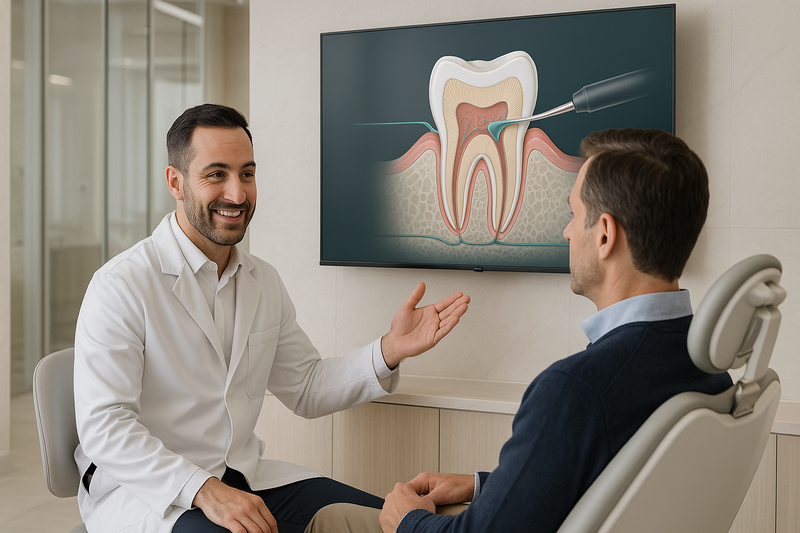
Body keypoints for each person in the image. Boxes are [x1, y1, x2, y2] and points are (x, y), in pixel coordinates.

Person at [304, 128, 734, 533]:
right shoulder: (707, 368)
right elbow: (610, 486)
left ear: (604, 236)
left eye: (573, 214)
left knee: (333, 518)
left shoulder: (577, 390)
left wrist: (408, 521)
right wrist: (480, 485)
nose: (567, 231)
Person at [72, 103, 470, 533]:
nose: (237, 194)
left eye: (247, 173)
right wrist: (204, 489)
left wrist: (389, 350)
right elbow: (105, 426)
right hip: (150, 494)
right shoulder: (121, 284)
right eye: (216, 174)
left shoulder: (262, 279)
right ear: (176, 182)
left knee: (391, 523)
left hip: (244, 479)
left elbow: (305, 386)